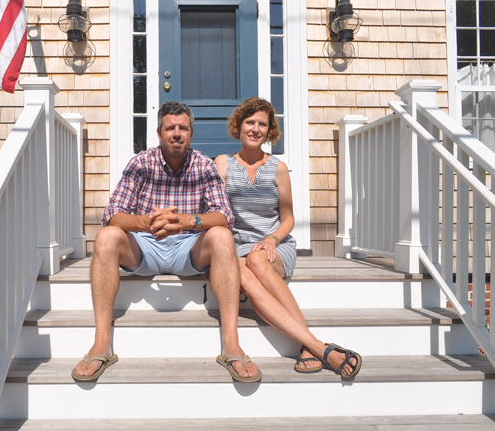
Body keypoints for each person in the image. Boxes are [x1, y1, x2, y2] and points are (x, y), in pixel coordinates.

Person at [72, 101, 261, 383]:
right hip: (145, 247)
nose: (176, 133)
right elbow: (112, 215)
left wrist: (188, 221)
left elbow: (224, 216)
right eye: (170, 128)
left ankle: (231, 343)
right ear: (159, 133)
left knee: (221, 236)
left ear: (191, 133)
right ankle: (102, 343)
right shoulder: (141, 162)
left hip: (188, 249)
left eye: (183, 128)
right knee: (107, 236)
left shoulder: (204, 165)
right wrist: (147, 222)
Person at [214, 97, 362, 378]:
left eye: (262, 124)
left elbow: (289, 218)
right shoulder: (222, 164)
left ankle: (313, 346)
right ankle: (316, 347)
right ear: (239, 125)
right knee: (243, 275)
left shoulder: (278, 168)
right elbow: (215, 211)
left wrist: (271, 239)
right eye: (250, 122)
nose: (255, 129)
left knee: (257, 261)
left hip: (274, 244)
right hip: (237, 246)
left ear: (269, 131)